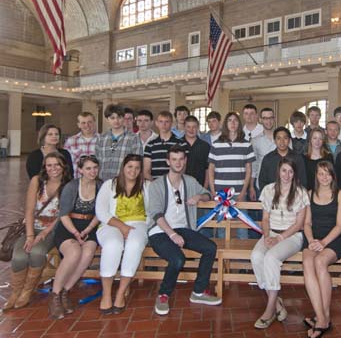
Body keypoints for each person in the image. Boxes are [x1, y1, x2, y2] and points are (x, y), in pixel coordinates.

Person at [148, 145, 221, 316]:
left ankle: (199, 291)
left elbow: (209, 195)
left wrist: (199, 197)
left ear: (185, 160)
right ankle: (163, 294)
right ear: (168, 161)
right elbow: (156, 214)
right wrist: (172, 234)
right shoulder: (157, 185)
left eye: (181, 159)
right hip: (160, 231)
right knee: (178, 259)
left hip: (183, 229)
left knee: (210, 248)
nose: (178, 163)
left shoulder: (189, 181)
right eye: (174, 159)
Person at [4, 152, 71, 311]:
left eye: (57, 165)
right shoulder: (37, 181)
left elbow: (62, 214)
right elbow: (29, 209)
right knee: (20, 255)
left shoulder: (68, 184)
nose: (53, 168)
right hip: (32, 226)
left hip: (52, 229)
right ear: (44, 167)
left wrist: (43, 233)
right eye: (49, 165)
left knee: (37, 252)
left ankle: (27, 291)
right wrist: (30, 235)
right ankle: (15, 292)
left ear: (63, 167)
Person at [251, 158, 308, 329]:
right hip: (271, 233)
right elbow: (265, 218)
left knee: (271, 258)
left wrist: (279, 239)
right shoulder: (268, 190)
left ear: (294, 174)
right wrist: (267, 236)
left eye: (290, 171)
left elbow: (299, 224)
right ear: (278, 171)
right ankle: (276, 301)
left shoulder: (300, 192)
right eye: (284, 170)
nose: (287, 175)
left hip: (292, 236)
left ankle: (269, 310)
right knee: (256, 256)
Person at [95, 154, 151, 314]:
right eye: (129, 167)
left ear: (141, 170)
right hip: (111, 223)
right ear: (123, 167)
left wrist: (139, 227)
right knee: (113, 244)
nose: (133, 171)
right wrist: (122, 227)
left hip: (138, 224)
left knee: (134, 244)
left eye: (137, 168)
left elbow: (152, 211)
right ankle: (106, 294)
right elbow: (101, 211)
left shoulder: (147, 186)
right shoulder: (109, 185)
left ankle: (121, 292)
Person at [49, 155, 102, 319]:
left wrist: (87, 231)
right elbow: (63, 215)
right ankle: (55, 295)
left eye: (95, 167)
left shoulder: (101, 186)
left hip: (89, 227)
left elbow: (100, 212)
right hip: (68, 226)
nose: (92, 171)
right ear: (80, 170)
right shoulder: (71, 186)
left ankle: (66, 291)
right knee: (73, 253)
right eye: (88, 168)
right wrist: (76, 233)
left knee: (87, 254)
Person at [302, 161, 341, 338]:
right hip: (314, 238)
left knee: (320, 261)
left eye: (327, 173)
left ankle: (322, 319)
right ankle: (322, 317)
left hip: (334, 239)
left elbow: (339, 225)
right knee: (307, 262)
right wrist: (311, 240)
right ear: (316, 176)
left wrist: (323, 242)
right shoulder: (309, 194)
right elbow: (306, 223)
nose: (324, 177)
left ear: (333, 175)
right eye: (321, 174)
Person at [208, 112, 255, 239]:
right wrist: (213, 191)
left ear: (239, 124)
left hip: (239, 192)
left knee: (242, 226)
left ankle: (242, 258)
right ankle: (222, 257)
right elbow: (211, 169)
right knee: (222, 226)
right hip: (221, 192)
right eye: (229, 120)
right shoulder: (216, 144)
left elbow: (249, 170)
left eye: (235, 120)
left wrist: (243, 192)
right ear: (225, 124)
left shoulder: (246, 144)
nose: (233, 123)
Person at [95, 104, 142, 181]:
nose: (116, 121)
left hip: (124, 181)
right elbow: (97, 161)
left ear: (123, 118)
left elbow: (137, 163)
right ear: (107, 119)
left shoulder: (133, 138)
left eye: (119, 117)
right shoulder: (101, 138)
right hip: (103, 182)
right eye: (112, 118)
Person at [144, 111, 187, 180]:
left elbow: (183, 167)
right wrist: (156, 185)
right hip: (155, 185)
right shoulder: (150, 145)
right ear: (156, 123)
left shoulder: (181, 143)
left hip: (175, 185)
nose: (164, 124)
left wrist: (171, 185)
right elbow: (146, 171)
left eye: (167, 122)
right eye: (161, 121)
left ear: (171, 124)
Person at [64, 112, 99, 178]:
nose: (87, 125)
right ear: (78, 125)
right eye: (83, 123)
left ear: (94, 123)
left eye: (90, 122)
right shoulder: (70, 141)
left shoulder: (102, 140)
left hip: (98, 182)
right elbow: (65, 164)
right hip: (77, 181)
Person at [251, 107, 276, 199]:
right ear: (260, 120)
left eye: (271, 118)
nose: (268, 121)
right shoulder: (255, 141)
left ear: (274, 119)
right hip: (262, 185)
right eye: (265, 118)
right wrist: (251, 187)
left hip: (282, 184)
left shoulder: (284, 139)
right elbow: (254, 166)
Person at [183, 115, 210, 187]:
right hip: (181, 187)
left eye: (194, 127)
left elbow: (207, 169)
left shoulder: (205, 146)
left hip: (200, 187)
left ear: (198, 128)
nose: (191, 130)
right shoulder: (178, 145)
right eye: (188, 127)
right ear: (184, 127)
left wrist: (205, 187)